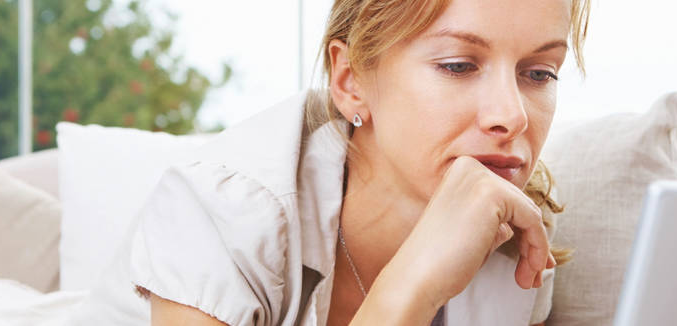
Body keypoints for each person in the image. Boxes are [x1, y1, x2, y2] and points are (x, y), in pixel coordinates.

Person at [130, 0, 591, 325]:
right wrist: (414, 283)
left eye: (539, 73)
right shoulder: (219, 211)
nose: (511, 116)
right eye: (457, 65)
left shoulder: (521, 226)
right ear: (350, 81)